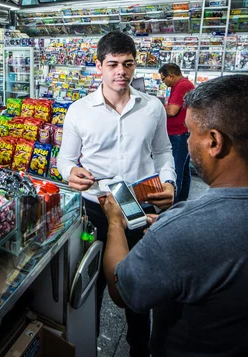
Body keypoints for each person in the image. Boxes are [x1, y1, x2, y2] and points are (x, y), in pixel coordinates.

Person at [100, 74, 248, 357]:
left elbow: (122, 291)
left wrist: (115, 222)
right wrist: (172, 231)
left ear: (215, 141)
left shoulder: (184, 232)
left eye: (191, 132)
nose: (188, 140)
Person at [58, 31, 176, 357]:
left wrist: (170, 183)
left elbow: (163, 152)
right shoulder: (79, 111)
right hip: (95, 208)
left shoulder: (152, 108)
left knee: (139, 285)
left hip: (142, 206)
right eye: (112, 64)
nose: (120, 71)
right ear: (99, 66)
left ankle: (140, 349)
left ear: (135, 66)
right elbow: (65, 159)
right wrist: (69, 172)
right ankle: (88, 344)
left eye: (127, 64)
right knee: (92, 283)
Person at [159, 63, 195, 202]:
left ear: (171, 75)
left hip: (178, 135)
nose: (164, 83)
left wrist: (157, 108)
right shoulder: (181, 85)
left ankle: (174, 206)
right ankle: (181, 201)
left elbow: (172, 111)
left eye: (164, 79)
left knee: (175, 171)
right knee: (184, 170)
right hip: (182, 133)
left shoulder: (181, 86)